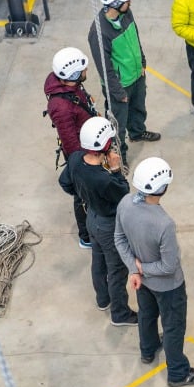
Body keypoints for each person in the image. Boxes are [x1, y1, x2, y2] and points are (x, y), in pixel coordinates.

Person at [114, 157, 194, 386]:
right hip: (169, 287)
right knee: (173, 327)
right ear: (163, 188)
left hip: (143, 283)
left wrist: (135, 271)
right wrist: (142, 268)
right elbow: (169, 266)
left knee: (146, 314)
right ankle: (178, 373)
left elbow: (119, 238)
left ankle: (148, 350)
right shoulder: (164, 224)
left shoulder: (125, 203)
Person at [58, 117, 137, 327]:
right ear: (105, 144)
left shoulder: (75, 158)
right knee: (117, 270)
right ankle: (120, 313)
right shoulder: (103, 178)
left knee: (98, 260)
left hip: (91, 219)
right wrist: (115, 169)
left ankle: (103, 299)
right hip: (109, 226)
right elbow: (123, 193)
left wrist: (84, 195)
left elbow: (64, 182)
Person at [87, 0, 160, 158]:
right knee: (117, 124)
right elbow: (104, 68)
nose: (130, 2)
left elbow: (136, 37)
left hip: (136, 75)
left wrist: (142, 61)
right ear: (116, 4)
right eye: (127, 0)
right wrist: (118, 92)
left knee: (138, 109)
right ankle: (119, 157)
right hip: (120, 85)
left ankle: (136, 132)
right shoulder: (99, 32)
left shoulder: (127, 14)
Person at [43, 46, 99, 249]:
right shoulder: (62, 106)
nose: (86, 71)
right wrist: (85, 165)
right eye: (83, 69)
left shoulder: (70, 89)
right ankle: (86, 236)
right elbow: (70, 143)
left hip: (88, 144)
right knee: (82, 195)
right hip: (81, 154)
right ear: (74, 74)